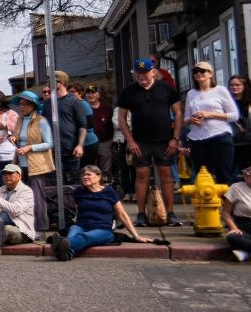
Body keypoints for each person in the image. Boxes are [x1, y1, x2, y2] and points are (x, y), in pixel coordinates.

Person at [117, 58, 184, 227]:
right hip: (140, 141)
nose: (142, 77)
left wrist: (175, 138)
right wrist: (130, 141)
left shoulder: (166, 89)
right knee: (141, 176)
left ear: (153, 72)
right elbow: (122, 119)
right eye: (139, 74)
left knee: (166, 176)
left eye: (145, 73)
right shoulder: (128, 92)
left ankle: (170, 213)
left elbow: (178, 114)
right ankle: (141, 214)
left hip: (164, 140)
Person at [48, 164, 152, 260]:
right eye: (83, 175)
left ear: (98, 177)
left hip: (103, 229)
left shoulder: (109, 192)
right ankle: (65, 254)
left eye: (88, 174)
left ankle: (58, 245)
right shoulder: (79, 192)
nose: (85, 177)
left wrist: (135, 235)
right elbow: (78, 211)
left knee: (84, 237)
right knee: (72, 236)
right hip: (81, 226)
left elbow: (122, 214)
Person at [182, 61, 238, 185]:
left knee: (224, 175)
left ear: (210, 74)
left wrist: (210, 115)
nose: (198, 74)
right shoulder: (191, 94)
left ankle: (226, 204)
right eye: (195, 72)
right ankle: (205, 204)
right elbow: (185, 118)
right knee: (202, 177)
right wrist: (191, 120)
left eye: (202, 71)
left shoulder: (220, 90)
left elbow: (234, 115)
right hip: (197, 139)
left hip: (220, 136)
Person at [12, 89, 55, 232]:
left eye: (25, 104)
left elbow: (49, 143)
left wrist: (30, 147)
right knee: (23, 197)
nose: (22, 107)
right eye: (20, 104)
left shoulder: (41, 121)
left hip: (37, 165)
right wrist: (13, 138)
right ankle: (27, 226)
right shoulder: (19, 120)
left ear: (33, 106)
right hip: (20, 165)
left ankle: (41, 227)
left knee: (37, 197)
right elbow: (19, 138)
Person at [50, 71, 89, 179]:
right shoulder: (47, 103)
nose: (49, 83)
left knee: (72, 182)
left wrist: (80, 145)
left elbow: (83, 125)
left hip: (71, 150)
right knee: (55, 183)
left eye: (52, 80)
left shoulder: (74, 101)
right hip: (52, 152)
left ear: (61, 83)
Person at [0, 163, 36, 244]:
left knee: (7, 230)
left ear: (19, 176)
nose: (7, 176)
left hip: (21, 230)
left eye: (10, 173)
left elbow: (16, 210)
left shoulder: (26, 191)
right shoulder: (0, 190)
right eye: (4, 174)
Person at [84, 84, 114, 182]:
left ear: (98, 95)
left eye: (93, 93)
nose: (90, 95)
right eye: (88, 93)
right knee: (90, 169)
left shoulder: (107, 108)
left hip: (104, 142)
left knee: (105, 169)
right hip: (88, 144)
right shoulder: (83, 108)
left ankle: (105, 187)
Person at [220, 165, 251, 262]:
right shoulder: (236, 187)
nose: (248, 176)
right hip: (243, 225)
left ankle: (247, 254)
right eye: (246, 174)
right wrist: (233, 228)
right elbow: (225, 212)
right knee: (233, 238)